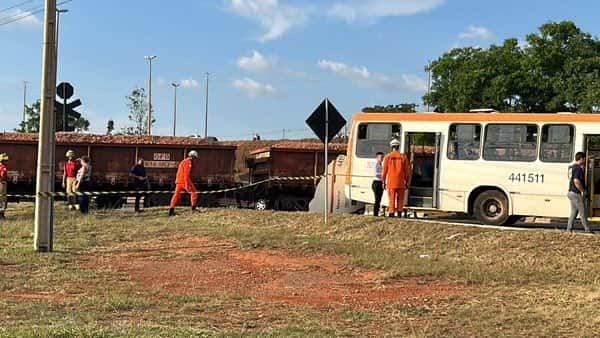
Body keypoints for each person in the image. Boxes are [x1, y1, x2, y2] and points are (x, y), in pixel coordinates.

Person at [382, 139, 411, 218]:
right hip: (401, 182)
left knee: (391, 199)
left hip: (391, 182)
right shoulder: (403, 157)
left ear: (391, 147)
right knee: (400, 199)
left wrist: (383, 181)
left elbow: (384, 171)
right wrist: (407, 182)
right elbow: (407, 171)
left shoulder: (387, 157)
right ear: (398, 147)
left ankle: (391, 213)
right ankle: (399, 214)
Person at [567, 152, 593, 233]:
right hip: (576, 193)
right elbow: (576, 181)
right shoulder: (578, 168)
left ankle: (569, 229)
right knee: (583, 212)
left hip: (571, 192)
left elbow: (570, 177)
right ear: (581, 158)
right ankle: (587, 229)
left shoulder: (572, 167)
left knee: (574, 212)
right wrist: (583, 191)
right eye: (584, 158)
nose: (585, 160)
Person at [169, 150, 199, 216]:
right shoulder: (188, 163)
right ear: (193, 157)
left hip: (179, 181)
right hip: (184, 181)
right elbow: (186, 175)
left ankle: (171, 210)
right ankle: (193, 209)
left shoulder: (183, 161)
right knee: (194, 193)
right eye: (195, 158)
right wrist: (187, 184)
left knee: (176, 195)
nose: (195, 160)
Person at [372, 152, 385, 216]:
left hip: (380, 182)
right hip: (376, 182)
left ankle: (377, 212)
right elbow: (376, 174)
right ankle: (375, 213)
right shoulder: (376, 164)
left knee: (379, 199)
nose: (382, 158)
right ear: (377, 158)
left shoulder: (381, 165)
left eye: (383, 157)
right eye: (381, 157)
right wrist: (383, 174)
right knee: (377, 199)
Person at [0, 153, 8, 220]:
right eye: (5, 160)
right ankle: (1, 215)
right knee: (3, 200)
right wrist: (2, 181)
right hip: (2, 184)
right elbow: (3, 174)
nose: (6, 162)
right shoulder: (3, 167)